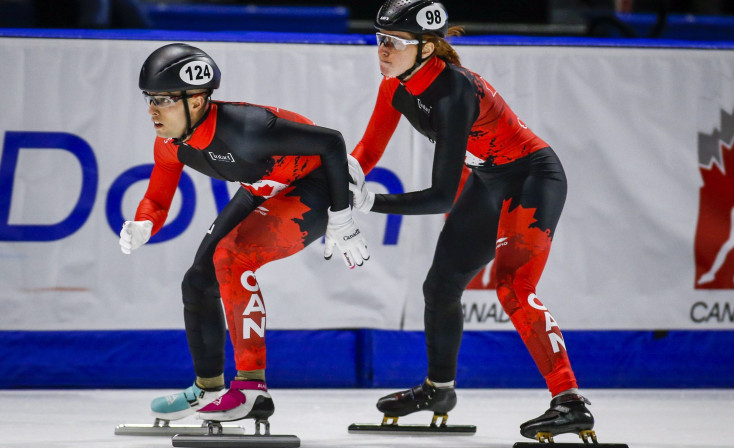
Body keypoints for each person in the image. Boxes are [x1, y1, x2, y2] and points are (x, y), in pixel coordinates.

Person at [347, 0, 595, 442]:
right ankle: (438, 390)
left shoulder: (453, 91)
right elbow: (365, 154)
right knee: (440, 285)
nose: (382, 50)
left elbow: (441, 195)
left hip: (533, 178)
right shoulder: (394, 84)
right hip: (488, 180)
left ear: (426, 49)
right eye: (380, 39)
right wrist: (338, 183)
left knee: (513, 285)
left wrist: (368, 204)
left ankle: (570, 401)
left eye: (394, 42)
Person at [120, 43, 369, 423]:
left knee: (232, 256)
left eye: (165, 99)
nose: (153, 109)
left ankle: (252, 389)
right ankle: (208, 388)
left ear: (198, 100)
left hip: (317, 182)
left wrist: (340, 216)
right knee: (197, 280)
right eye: (149, 98)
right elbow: (156, 197)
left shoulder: (248, 128)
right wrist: (144, 223)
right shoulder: (170, 144)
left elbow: (331, 142)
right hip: (265, 183)